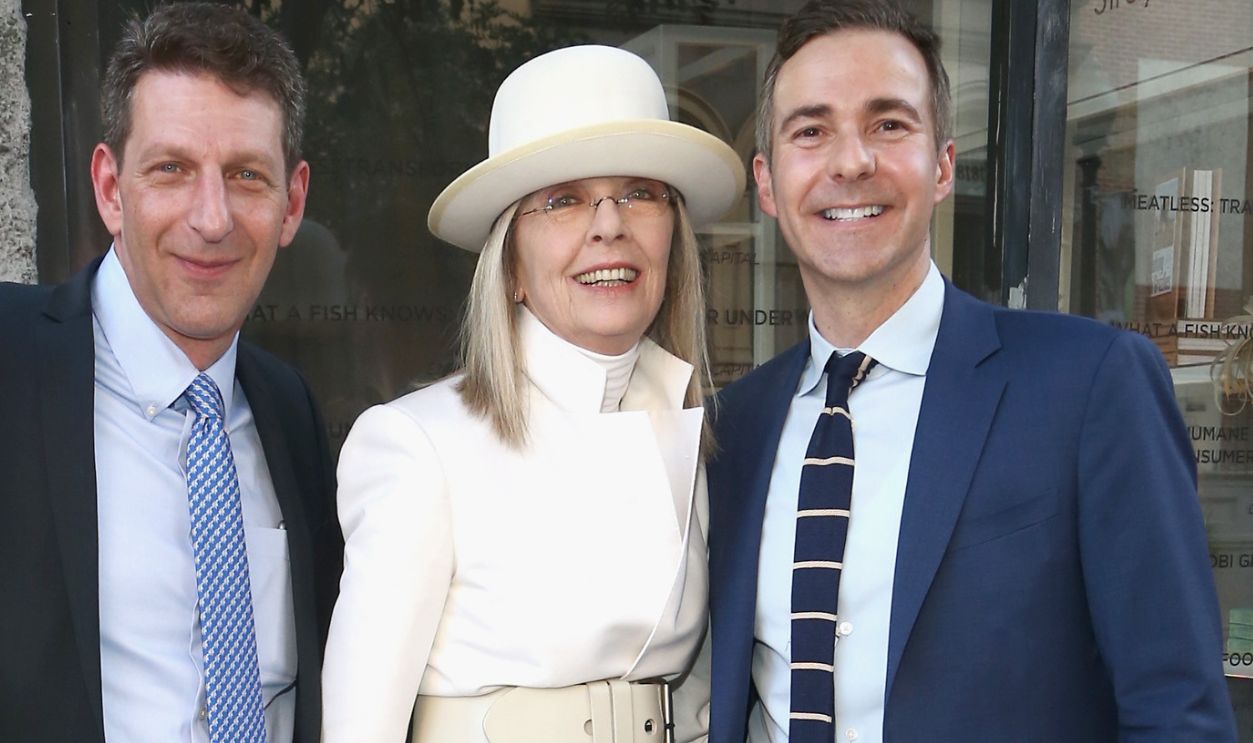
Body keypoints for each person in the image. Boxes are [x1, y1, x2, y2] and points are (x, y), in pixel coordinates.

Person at [705, 1, 1236, 742]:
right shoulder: (736, 426)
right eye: (810, 130)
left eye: (889, 124)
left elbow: (1174, 708)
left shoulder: (1086, 386)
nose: (850, 161)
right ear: (765, 182)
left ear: (943, 165)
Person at [320, 44, 744, 743]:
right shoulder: (418, 445)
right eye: (562, 200)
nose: (609, 225)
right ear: (510, 264)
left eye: (639, 192)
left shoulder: (690, 429)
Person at [0, 4, 342, 742]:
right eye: (172, 169)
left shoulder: (291, 412)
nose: (212, 218)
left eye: (247, 176)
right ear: (110, 188)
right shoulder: (8, 359)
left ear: (293, 202)